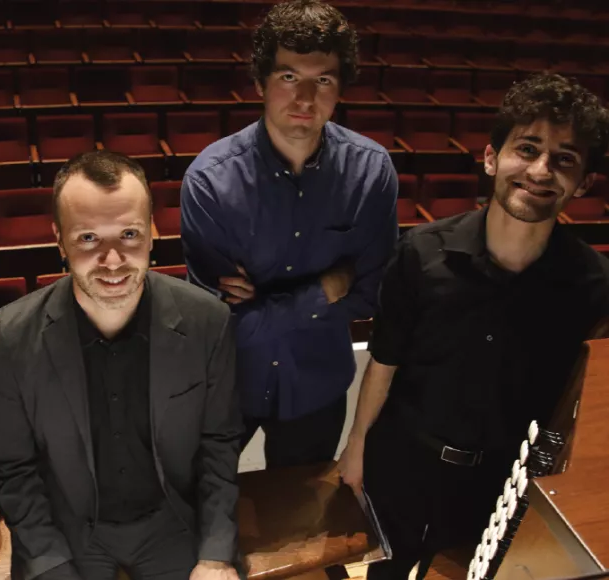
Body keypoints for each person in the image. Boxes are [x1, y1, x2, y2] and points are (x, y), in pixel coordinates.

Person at [337, 72, 609, 579]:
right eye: (527, 149)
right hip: (405, 461)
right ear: (491, 158)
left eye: (564, 160)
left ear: (583, 183)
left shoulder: (594, 284)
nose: (541, 170)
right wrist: (356, 448)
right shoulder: (420, 252)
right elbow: (385, 360)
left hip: (503, 479)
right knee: (387, 573)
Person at [0, 151, 242, 580]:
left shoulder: (207, 321)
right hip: (68, 534)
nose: (113, 259)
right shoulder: (12, 335)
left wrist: (215, 554)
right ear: (59, 239)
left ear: (152, 233)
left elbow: (219, 446)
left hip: (172, 523)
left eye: (128, 234)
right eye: (88, 239)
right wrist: (49, 564)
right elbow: (13, 469)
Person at [180, 0, 398, 469]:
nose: (304, 98)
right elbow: (218, 325)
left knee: (297, 524)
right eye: (287, 77)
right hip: (227, 387)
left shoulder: (373, 172)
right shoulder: (210, 181)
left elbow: (368, 297)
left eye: (322, 80)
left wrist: (261, 305)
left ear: (340, 89)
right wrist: (325, 290)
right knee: (198, 508)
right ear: (260, 82)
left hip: (317, 388)